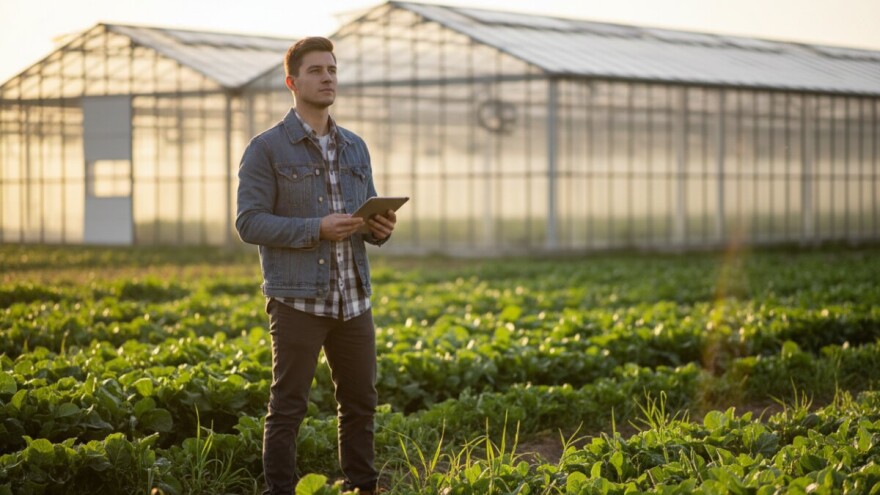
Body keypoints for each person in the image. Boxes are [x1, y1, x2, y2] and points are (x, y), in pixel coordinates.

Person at [235, 36, 395, 495]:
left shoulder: (355, 147)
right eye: (316, 71)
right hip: (298, 299)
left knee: (361, 401)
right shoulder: (266, 148)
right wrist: (315, 228)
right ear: (292, 81)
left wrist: (378, 228)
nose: (328, 78)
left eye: (333, 70)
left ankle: (362, 485)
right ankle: (279, 490)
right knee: (288, 406)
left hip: (353, 297)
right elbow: (249, 222)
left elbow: (361, 217)